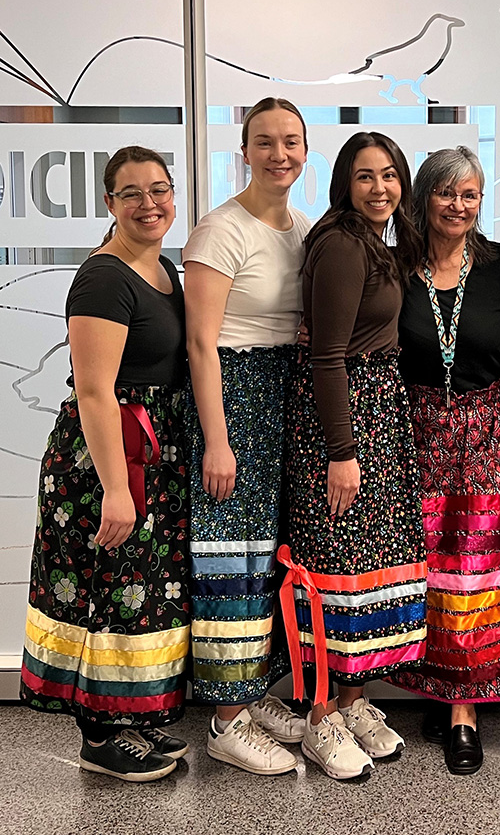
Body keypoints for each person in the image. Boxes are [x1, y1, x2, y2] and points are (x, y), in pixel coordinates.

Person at [20, 146, 190, 782]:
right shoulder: (102, 277)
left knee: (135, 592)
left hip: (150, 451)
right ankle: (97, 736)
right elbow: (94, 391)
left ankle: (127, 714)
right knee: (101, 587)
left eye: (159, 190)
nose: (150, 204)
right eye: (132, 194)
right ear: (108, 203)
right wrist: (116, 489)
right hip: (104, 460)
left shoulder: (162, 269)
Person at [389, 146, 500, 775]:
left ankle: (464, 709)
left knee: (476, 569)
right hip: (415, 432)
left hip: (486, 429)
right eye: (445, 193)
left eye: (471, 195)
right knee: (425, 566)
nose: (458, 206)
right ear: (423, 198)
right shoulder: (394, 268)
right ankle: (442, 684)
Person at [282, 132, 425, 780]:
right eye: (365, 176)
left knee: (365, 569)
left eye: (390, 175)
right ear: (345, 183)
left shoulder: (380, 242)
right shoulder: (341, 243)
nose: (379, 188)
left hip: (378, 410)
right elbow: (326, 355)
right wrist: (342, 451)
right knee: (334, 563)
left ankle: (353, 701)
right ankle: (319, 717)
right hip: (345, 420)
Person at [184, 97, 311, 775]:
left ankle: (253, 689)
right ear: (245, 150)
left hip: (283, 396)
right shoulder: (219, 231)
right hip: (233, 399)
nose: (279, 154)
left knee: (268, 558)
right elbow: (200, 345)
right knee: (229, 559)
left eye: (290, 141)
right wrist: (218, 440)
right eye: (265, 142)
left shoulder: (302, 227)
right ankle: (224, 720)